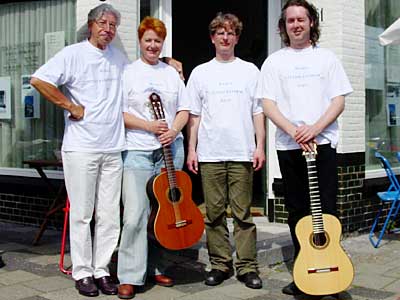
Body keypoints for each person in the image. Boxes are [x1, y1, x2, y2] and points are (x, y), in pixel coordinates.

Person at [255, 0, 353, 296]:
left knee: (327, 209)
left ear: (311, 22)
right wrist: (294, 131)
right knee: (298, 211)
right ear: (283, 27)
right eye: (290, 21)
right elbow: (268, 104)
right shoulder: (274, 61)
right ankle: (305, 272)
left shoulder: (327, 59)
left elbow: (338, 101)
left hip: (322, 144)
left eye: (301, 19)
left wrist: (315, 128)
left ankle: (332, 270)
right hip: (289, 145)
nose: (295, 25)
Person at [31, 4, 127, 297]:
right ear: (90, 25)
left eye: (112, 25)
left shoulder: (120, 58)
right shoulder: (72, 54)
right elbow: (39, 80)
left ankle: (102, 270)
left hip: (113, 147)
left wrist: (167, 61)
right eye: (103, 23)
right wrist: (70, 106)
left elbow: (140, 77)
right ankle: (83, 272)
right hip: (82, 147)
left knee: (109, 215)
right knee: (83, 214)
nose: (108, 30)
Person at [186, 13, 265, 290]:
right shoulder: (200, 73)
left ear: (237, 38)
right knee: (214, 214)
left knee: (243, 215)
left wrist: (260, 146)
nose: (225, 37)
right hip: (210, 154)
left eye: (230, 33)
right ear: (212, 37)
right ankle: (220, 264)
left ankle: (247, 267)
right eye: (220, 33)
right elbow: (193, 116)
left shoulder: (250, 71)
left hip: (242, 152)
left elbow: (258, 112)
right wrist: (191, 150)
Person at [117, 17, 189, 299]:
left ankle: (156, 266)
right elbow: (119, 114)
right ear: (140, 41)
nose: (152, 45)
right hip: (137, 149)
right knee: (135, 215)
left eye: (157, 41)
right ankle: (129, 275)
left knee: (165, 213)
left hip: (171, 150)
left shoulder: (171, 73)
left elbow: (184, 109)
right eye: (148, 40)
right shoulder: (128, 72)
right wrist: (149, 126)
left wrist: (173, 131)